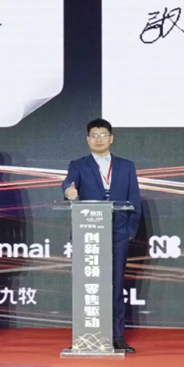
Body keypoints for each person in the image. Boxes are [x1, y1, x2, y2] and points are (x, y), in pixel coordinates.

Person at [62, 119, 141, 354]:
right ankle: (85, 335)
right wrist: (68, 192)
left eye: (103, 135)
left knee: (115, 286)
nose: (98, 139)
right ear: (88, 139)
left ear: (111, 138)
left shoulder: (126, 166)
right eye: (94, 135)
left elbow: (135, 201)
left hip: (118, 234)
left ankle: (116, 336)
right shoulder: (78, 165)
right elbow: (68, 184)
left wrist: (129, 232)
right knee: (88, 287)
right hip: (88, 235)